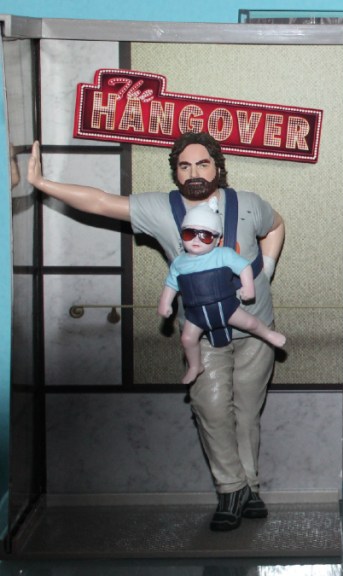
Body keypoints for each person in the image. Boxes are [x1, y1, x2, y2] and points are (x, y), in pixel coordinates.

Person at [27, 131, 285, 532]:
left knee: (247, 411)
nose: (194, 172)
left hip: (255, 328)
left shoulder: (248, 203)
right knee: (211, 407)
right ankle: (230, 488)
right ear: (175, 172)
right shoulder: (161, 209)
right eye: (185, 165)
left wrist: (265, 269)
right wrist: (43, 183)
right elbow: (101, 202)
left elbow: (276, 224)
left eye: (202, 164)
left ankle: (249, 487)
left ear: (218, 167)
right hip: (202, 331)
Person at [159, 201, 286, 385]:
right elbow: (171, 285)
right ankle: (195, 366)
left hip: (226, 307)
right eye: (189, 234)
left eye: (205, 236)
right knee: (187, 339)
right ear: (182, 236)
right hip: (196, 314)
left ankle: (268, 334)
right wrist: (165, 304)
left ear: (217, 239)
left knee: (250, 322)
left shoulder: (223, 254)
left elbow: (244, 267)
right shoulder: (179, 263)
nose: (196, 240)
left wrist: (248, 288)